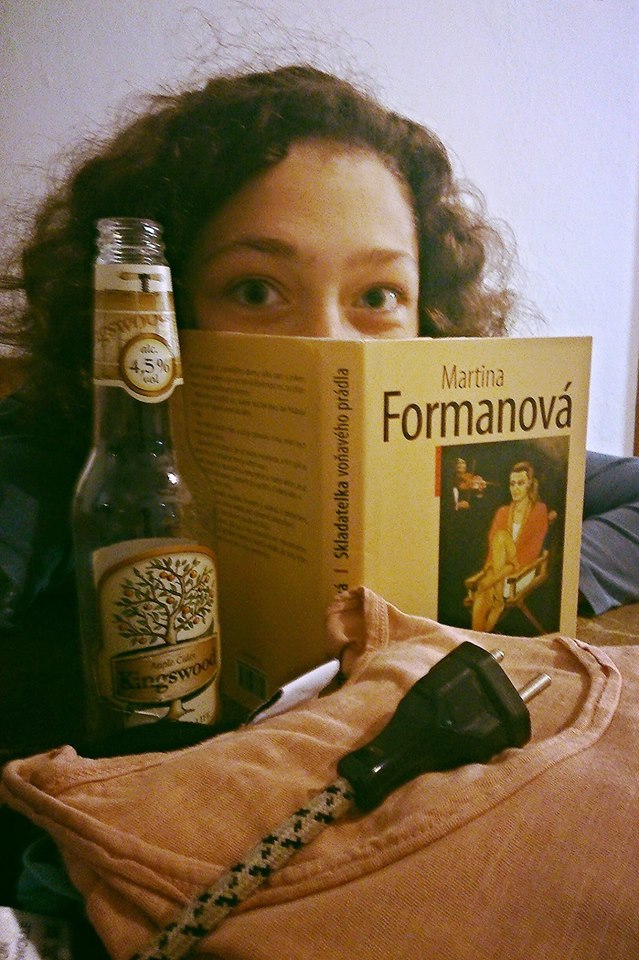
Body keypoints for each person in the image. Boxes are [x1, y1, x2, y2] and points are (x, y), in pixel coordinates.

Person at [0, 63, 638, 638]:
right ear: (160, 306)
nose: (330, 341)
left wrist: (545, 576)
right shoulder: (79, 451)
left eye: (378, 295)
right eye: (255, 291)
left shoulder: (449, 445)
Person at [469, 461, 550, 632]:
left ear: (529, 484)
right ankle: (480, 640)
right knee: (482, 599)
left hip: (521, 572)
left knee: (501, 537)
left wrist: (491, 580)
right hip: (499, 572)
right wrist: (491, 576)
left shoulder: (539, 511)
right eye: (512, 484)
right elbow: (493, 553)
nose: (515, 488)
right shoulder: (503, 512)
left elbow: (529, 554)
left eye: (520, 483)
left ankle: (496, 603)